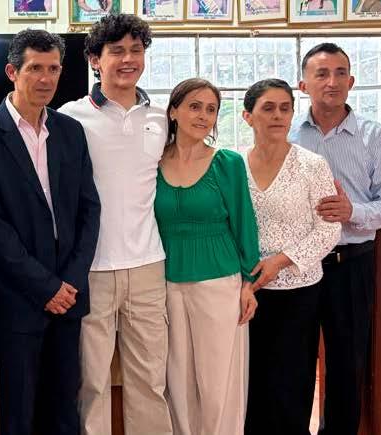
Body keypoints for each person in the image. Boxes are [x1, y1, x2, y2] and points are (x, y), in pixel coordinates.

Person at [0, 29, 101, 435]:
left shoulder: (70, 131)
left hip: (69, 295)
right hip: (19, 299)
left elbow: (89, 209)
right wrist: (46, 287)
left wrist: (70, 280)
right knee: (20, 412)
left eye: (53, 69)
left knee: (64, 409)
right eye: (35, 68)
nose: (46, 78)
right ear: (12, 72)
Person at [56, 13, 171, 435]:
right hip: (92, 269)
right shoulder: (68, 117)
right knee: (92, 382)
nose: (128, 59)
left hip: (148, 266)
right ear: (94, 60)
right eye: (117, 51)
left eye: (136, 51)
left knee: (150, 379)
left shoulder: (161, 118)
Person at [290, 42, 381, 435]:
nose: (332, 81)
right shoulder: (288, 135)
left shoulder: (375, 136)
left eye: (341, 73)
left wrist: (352, 211)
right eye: (322, 74)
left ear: (352, 81)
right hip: (297, 266)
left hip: (352, 264)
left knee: (347, 364)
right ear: (303, 85)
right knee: (294, 362)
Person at [154, 77, 260, 435]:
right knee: (177, 381)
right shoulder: (152, 162)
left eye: (211, 110)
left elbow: (245, 223)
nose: (203, 116)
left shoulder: (227, 163)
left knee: (218, 384)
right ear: (173, 112)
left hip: (219, 281)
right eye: (195, 107)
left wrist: (248, 283)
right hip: (166, 283)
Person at [238, 79, 341, 435]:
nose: (278, 115)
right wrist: (246, 277)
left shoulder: (312, 165)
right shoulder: (232, 164)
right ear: (248, 116)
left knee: (290, 384)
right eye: (268, 108)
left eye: (285, 108)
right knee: (250, 385)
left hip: (299, 291)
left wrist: (280, 261)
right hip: (246, 291)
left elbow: (328, 230)